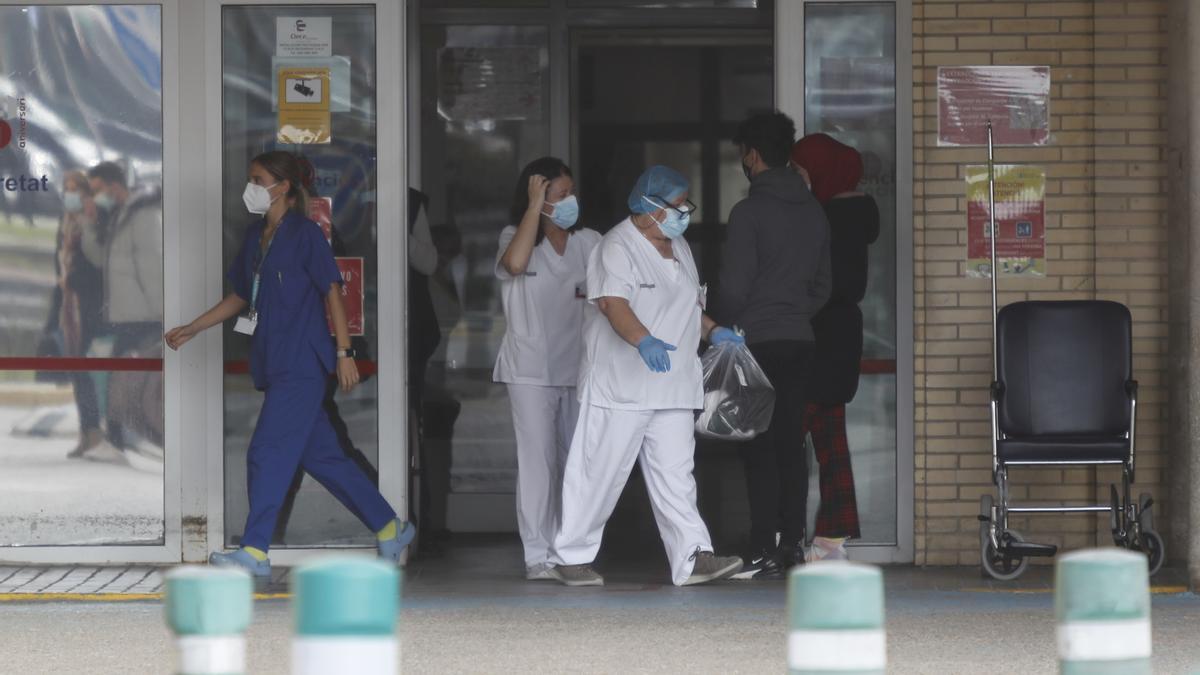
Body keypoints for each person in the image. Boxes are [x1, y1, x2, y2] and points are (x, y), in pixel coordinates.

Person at [164, 151, 414, 578]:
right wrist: (194, 326)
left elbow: (332, 291)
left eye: (258, 179)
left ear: (282, 187)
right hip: (274, 361)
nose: (251, 187)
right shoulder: (254, 236)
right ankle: (391, 527)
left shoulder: (305, 234)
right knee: (325, 458)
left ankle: (255, 551)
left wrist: (344, 352)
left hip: (303, 362)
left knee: (265, 451)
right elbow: (242, 296)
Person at [549, 165, 743, 587]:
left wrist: (713, 331)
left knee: (677, 477)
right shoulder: (616, 246)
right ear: (651, 207)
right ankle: (570, 555)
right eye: (677, 205)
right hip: (622, 386)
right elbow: (612, 304)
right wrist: (643, 341)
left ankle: (693, 557)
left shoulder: (678, 246)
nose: (683, 213)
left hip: (673, 385)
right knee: (599, 472)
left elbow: (689, 305)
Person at [715, 112, 832, 580]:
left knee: (757, 447)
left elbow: (735, 287)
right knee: (790, 444)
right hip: (799, 341)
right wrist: (794, 312)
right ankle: (792, 544)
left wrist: (722, 322)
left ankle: (761, 545)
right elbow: (824, 285)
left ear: (753, 155)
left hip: (755, 344)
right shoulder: (813, 210)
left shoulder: (748, 213)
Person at [494, 157, 602, 581]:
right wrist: (533, 209)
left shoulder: (588, 241)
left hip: (578, 368)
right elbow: (515, 265)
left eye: (570, 193)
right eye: (558, 195)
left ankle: (570, 548)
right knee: (538, 463)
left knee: (577, 462)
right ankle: (538, 555)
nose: (568, 201)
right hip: (529, 370)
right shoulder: (515, 237)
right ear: (536, 198)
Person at [790, 133, 880, 562]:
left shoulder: (829, 220)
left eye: (802, 170)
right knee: (830, 440)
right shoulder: (856, 216)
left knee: (790, 439)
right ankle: (831, 539)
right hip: (841, 341)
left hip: (818, 339)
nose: (797, 178)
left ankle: (786, 536)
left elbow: (822, 286)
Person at [88, 161, 164, 453]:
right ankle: (121, 432)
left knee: (131, 374)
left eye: (98, 190)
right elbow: (101, 260)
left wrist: (162, 314)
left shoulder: (143, 214)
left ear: (113, 186)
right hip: (128, 314)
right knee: (122, 373)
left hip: (144, 315)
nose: (96, 196)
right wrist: (87, 223)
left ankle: (125, 433)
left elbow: (153, 266)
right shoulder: (123, 214)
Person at [58, 171, 109, 460]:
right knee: (76, 370)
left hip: (89, 304)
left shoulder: (93, 217)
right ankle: (86, 431)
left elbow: (96, 260)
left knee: (84, 367)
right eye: (67, 189)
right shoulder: (67, 221)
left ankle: (94, 432)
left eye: (75, 189)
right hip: (71, 305)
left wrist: (88, 224)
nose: (70, 194)